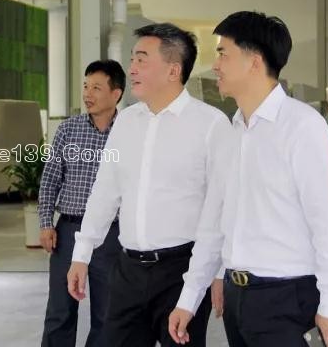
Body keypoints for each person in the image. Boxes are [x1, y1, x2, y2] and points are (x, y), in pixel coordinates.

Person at [168, 11, 328, 347]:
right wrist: (189, 297)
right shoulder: (232, 133)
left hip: (287, 298)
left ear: (254, 62)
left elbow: (327, 222)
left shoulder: (302, 127)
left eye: (223, 54)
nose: (216, 65)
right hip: (237, 299)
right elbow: (213, 224)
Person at [67, 24, 234, 347]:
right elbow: (105, 192)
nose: (132, 68)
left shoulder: (211, 125)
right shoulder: (127, 121)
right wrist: (82, 254)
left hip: (182, 271)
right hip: (127, 271)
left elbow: (224, 208)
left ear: (173, 70)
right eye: (132, 59)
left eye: (142, 60)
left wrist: (217, 271)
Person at [38, 60, 126, 347]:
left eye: (96, 88)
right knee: (59, 312)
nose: (87, 93)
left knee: (106, 315)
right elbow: (50, 179)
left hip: (110, 236)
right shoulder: (68, 129)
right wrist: (46, 223)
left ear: (116, 94)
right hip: (68, 231)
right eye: (86, 86)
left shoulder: (129, 132)